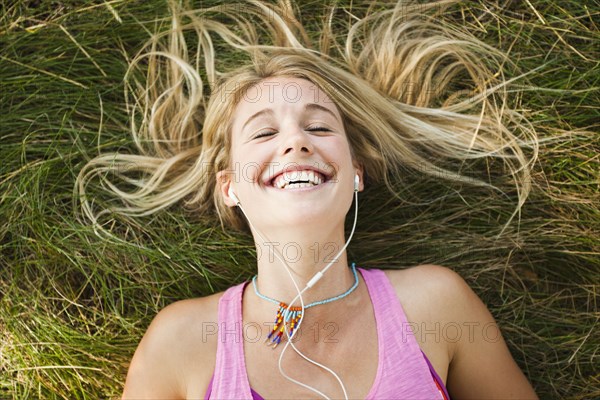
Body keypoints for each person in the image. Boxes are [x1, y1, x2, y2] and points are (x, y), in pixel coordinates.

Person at [78, 1, 539, 398]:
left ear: (356, 173)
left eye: (318, 127)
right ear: (230, 188)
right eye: (263, 132)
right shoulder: (180, 342)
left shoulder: (436, 305)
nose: (295, 142)